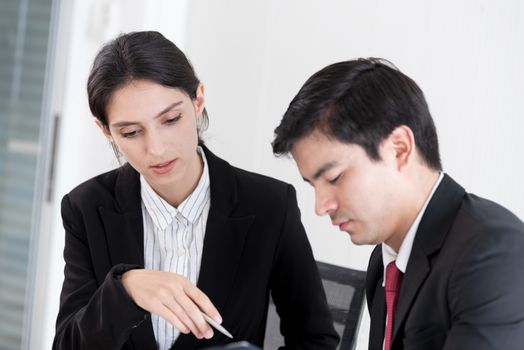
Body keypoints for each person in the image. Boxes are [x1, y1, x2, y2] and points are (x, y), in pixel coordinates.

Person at [53, 31, 339, 350]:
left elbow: (316, 340)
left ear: (198, 100)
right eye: (131, 132)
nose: (157, 149)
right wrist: (126, 290)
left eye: (171, 119)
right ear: (105, 130)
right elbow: (67, 344)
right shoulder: (85, 208)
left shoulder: (269, 205)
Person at [271, 58, 524, 349]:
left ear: (400, 148)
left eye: (334, 177)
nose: (321, 206)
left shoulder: (494, 252)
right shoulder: (386, 260)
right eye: (313, 186)